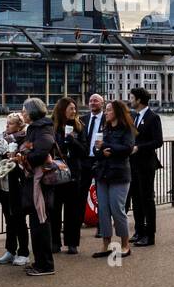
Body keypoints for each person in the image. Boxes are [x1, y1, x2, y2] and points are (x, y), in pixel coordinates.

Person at [14, 98, 57, 276]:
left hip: (40, 183)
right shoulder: (37, 128)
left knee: (40, 222)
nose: (22, 113)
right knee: (37, 222)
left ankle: (45, 265)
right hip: (35, 181)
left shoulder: (42, 128)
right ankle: (40, 261)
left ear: (32, 112)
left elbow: (42, 151)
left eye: (24, 110)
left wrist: (24, 158)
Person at [91, 99, 135, 258]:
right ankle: (106, 244)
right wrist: (101, 151)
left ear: (117, 111)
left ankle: (125, 244)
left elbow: (128, 149)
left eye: (109, 110)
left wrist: (107, 147)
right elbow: (96, 151)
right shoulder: (105, 129)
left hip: (119, 174)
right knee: (103, 210)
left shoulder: (126, 129)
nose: (106, 112)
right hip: (103, 174)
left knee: (117, 209)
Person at [0, 113, 29, 265]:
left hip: (17, 187)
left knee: (19, 220)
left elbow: (23, 168)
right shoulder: (3, 140)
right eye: (6, 124)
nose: (7, 127)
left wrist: (10, 153)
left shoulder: (24, 141)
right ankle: (10, 250)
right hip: (3, 186)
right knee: (9, 220)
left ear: (19, 126)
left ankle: (24, 252)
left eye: (10, 124)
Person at [50, 97, 85, 254]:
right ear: (62, 109)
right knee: (54, 209)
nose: (74, 111)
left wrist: (73, 141)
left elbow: (84, 151)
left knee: (73, 210)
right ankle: (55, 242)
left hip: (73, 174)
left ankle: (72, 243)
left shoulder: (79, 127)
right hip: (56, 173)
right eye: (71, 108)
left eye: (75, 108)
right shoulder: (52, 128)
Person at [129, 87, 164, 247]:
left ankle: (150, 235)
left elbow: (158, 141)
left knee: (147, 199)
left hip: (146, 164)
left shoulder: (153, 117)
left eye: (131, 98)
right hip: (133, 164)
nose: (130, 100)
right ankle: (139, 231)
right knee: (136, 198)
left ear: (138, 100)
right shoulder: (133, 116)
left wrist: (139, 147)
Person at [77, 93, 106, 228]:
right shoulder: (82, 119)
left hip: (100, 160)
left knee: (101, 193)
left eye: (96, 101)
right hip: (85, 161)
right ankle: (79, 221)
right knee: (81, 192)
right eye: (91, 101)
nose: (93, 103)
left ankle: (101, 224)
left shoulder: (107, 119)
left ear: (102, 103)